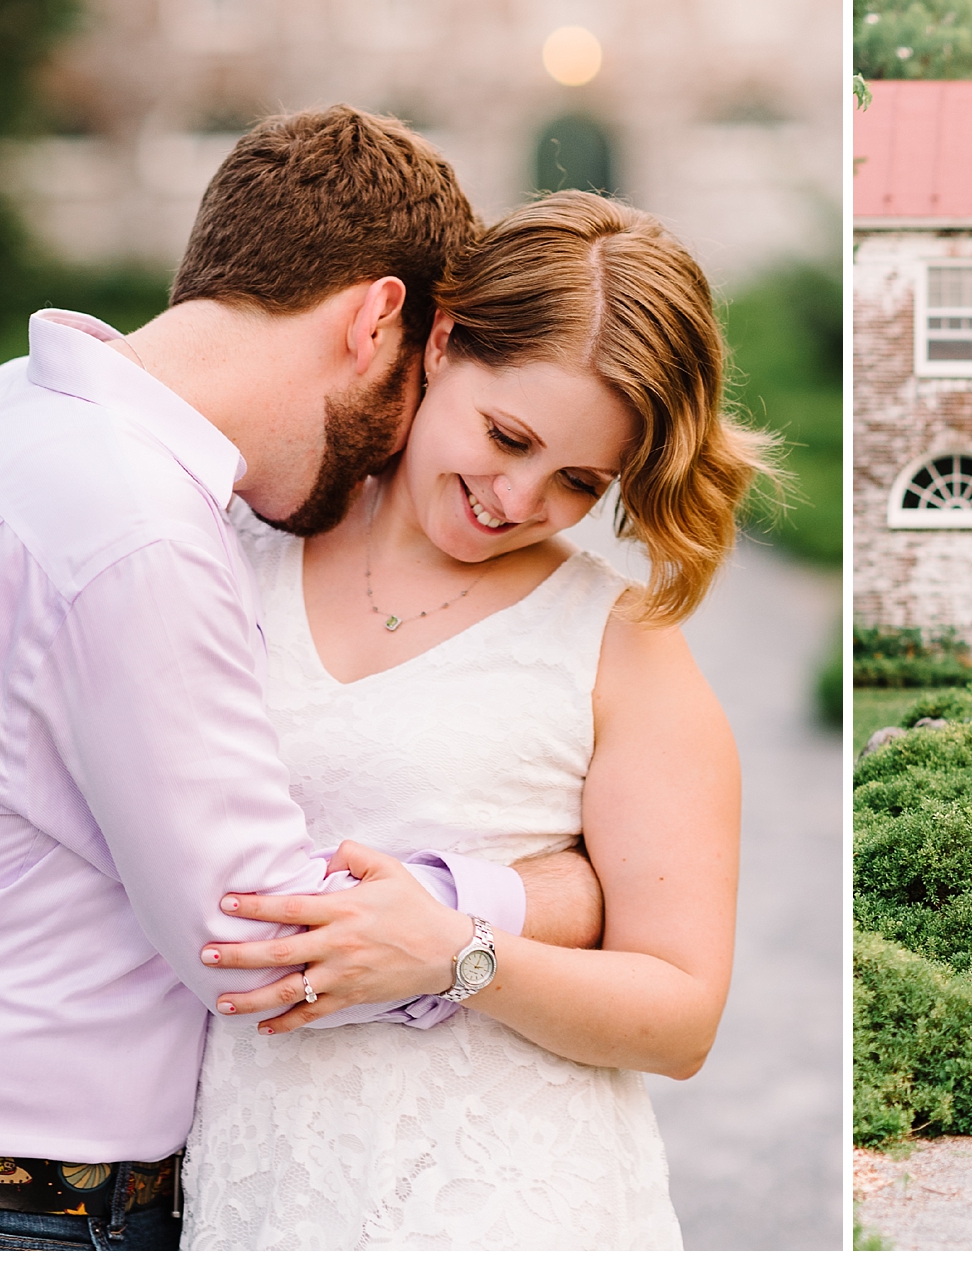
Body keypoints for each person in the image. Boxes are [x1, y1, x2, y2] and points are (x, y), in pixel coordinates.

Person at [0, 108, 598, 1253]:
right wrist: (549, 894)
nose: (387, 448)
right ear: (375, 319)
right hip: (6, 1198)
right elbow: (265, 948)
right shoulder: (136, 532)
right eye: (417, 385)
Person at [177, 190, 766, 1249]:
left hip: (512, 1199)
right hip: (260, 1185)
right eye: (507, 434)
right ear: (443, 340)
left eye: (579, 479)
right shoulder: (229, 548)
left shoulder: (620, 645)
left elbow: (680, 1013)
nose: (517, 495)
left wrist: (459, 950)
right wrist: (555, 889)